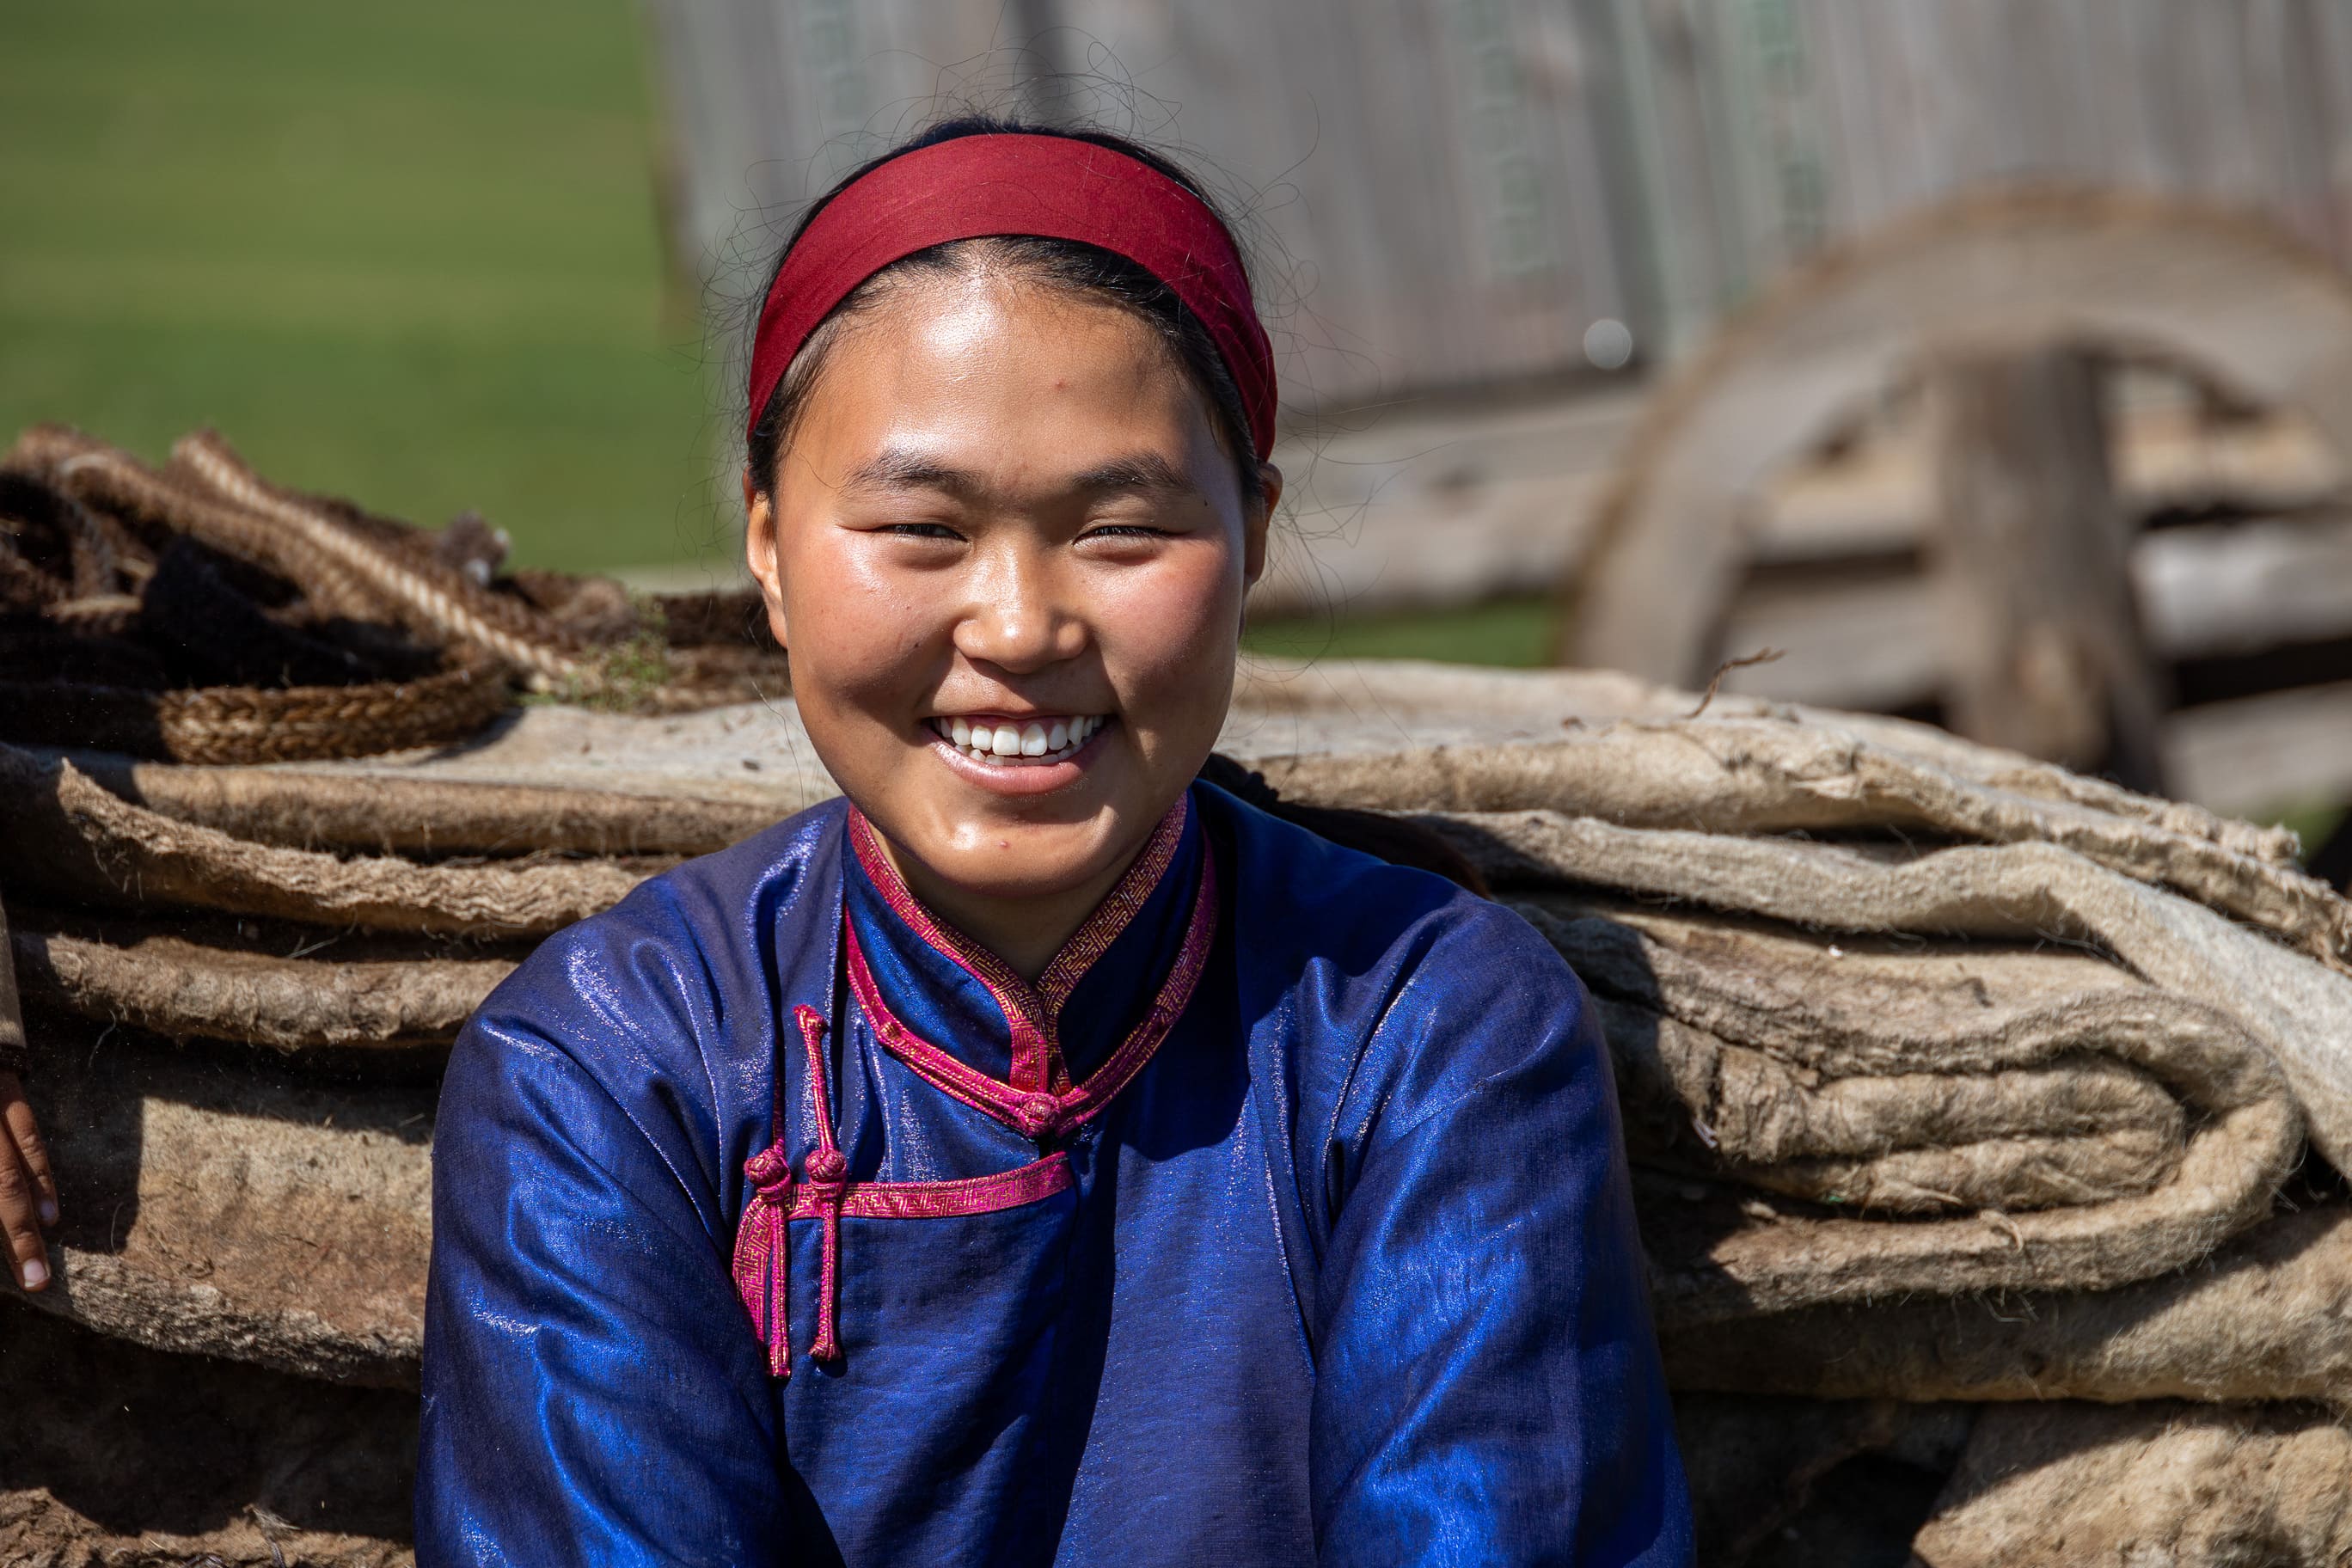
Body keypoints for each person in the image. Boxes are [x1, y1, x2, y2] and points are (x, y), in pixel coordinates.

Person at [417, 116, 1691, 1565]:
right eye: (919, 528)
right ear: (767, 546)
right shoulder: (612, 1065)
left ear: (1254, 535)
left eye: (1120, 530)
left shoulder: (1427, 1032)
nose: (1019, 628)